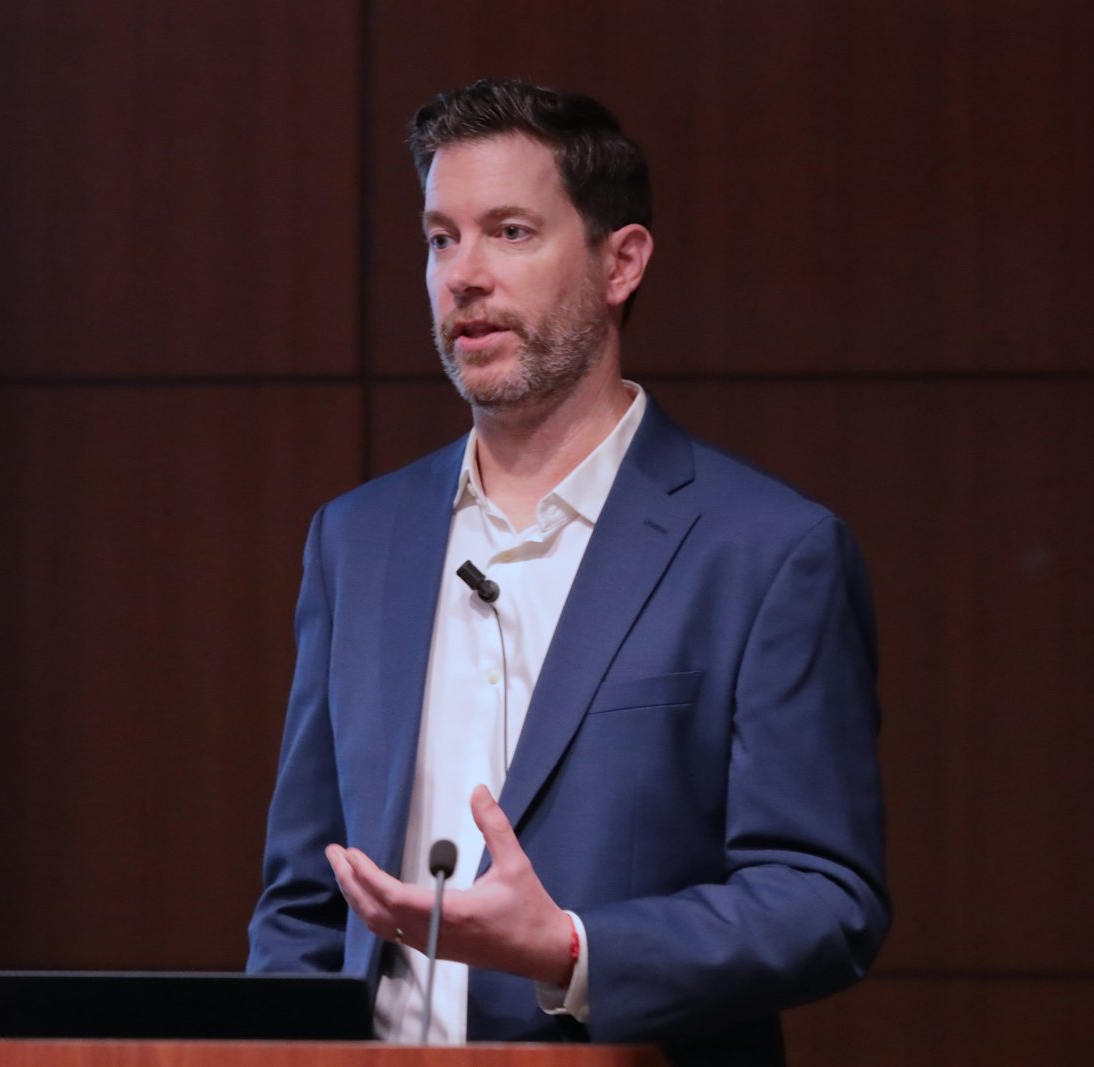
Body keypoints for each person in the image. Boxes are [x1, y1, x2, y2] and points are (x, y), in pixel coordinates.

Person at [247, 78, 889, 1066]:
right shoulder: (356, 538)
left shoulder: (765, 550)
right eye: (439, 238)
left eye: (509, 231)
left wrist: (573, 948)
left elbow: (823, 897)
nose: (463, 275)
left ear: (619, 262)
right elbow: (301, 898)